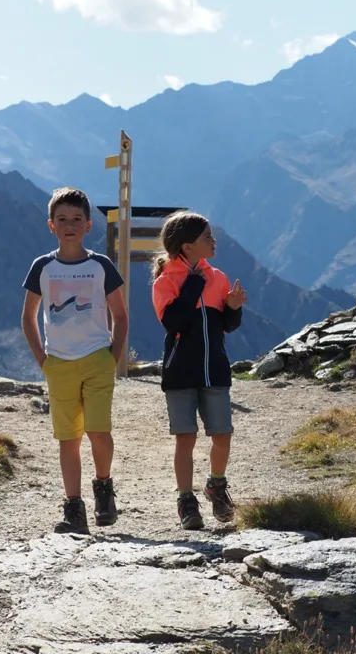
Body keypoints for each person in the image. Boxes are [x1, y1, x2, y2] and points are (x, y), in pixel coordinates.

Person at [21, 187, 128, 534]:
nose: (69, 225)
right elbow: (28, 317)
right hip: (59, 363)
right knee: (68, 439)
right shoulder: (42, 266)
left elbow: (120, 315)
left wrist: (112, 358)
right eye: (62, 219)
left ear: (88, 225)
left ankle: (103, 489)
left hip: (97, 359)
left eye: (77, 219)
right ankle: (74, 510)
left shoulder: (101, 266)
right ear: (51, 225)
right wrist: (43, 360)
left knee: (99, 432)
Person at [151, 212, 248, 530]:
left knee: (222, 434)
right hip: (180, 374)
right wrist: (194, 284)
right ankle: (186, 500)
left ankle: (216, 485)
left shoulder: (218, 277)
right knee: (186, 437)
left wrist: (233, 308)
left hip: (215, 370)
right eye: (207, 236)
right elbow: (172, 323)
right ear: (187, 246)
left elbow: (226, 326)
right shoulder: (166, 282)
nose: (214, 240)